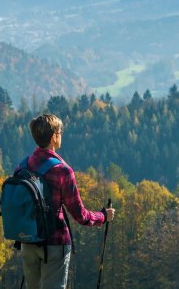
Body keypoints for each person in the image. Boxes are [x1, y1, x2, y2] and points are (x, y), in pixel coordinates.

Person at [19, 114, 115, 289]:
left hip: (28, 240)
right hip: (55, 243)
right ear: (54, 137)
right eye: (60, 132)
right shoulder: (63, 171)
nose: (61, 135)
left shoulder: (23, 166)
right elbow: (80, 216)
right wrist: (103, 216)